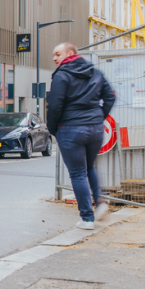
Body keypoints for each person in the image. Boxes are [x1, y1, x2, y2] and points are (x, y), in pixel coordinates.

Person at [46, 42, 116, 230]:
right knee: (88, 167)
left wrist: (53, 129)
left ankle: (87, 218)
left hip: (71, 129)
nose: (54, 58)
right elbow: (110, 97)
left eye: (57, 54)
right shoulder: (96, 73)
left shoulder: (62, 75)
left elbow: (54, 105)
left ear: (70, 53)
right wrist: (98, 117)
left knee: (77, 173)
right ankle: (99, 203)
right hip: (95, 129)